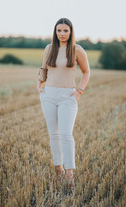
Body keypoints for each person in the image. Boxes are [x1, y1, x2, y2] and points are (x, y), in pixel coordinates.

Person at [37, 17, 90, 193]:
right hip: (49, 95)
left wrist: (79, 91)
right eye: (59, 30)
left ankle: (69, 174)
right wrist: (40, 83)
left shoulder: (77, 50)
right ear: (55, 31)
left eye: (65, 31)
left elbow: (86, 72)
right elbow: (44, 68)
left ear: (71, 31)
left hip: (68, 96)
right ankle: (58, 170)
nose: (62, 34)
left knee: (66, 135)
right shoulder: (49, 48)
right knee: (54, 134)